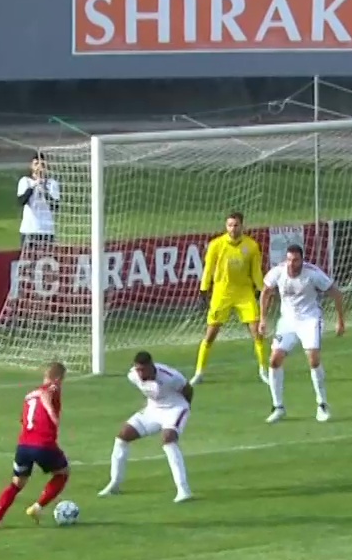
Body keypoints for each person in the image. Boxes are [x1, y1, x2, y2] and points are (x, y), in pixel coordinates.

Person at [257, 243, 345, 423]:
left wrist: (340, 321)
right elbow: (265, 292)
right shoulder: (278, 272)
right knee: (274, 360)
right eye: (289, 259)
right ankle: (278, 407)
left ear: (302, 260)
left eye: (295, 260)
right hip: (287, 321)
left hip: (310, 319)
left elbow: (336, 293)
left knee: (313, 359)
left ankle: (322, 404)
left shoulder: (313, 274)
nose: (291, 263)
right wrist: (263, 319)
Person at [99, 351, 194, 503]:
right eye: (138, 369)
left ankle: (183, 489)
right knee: (123, 435)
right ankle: (114, 483)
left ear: (151, 366)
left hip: (175, 408)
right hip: (153, 410)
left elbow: (188, 389)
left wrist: (185, 408)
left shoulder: (170, 376)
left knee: (168, 439)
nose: (140, 373)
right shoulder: (132, 376)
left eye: (143, 370)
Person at [0, 362, 72, 530]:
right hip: (44, 444)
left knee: (16, 483)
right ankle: (38, 507)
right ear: (57, 378)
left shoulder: (29, 396)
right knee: (63, 473)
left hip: (24, 446)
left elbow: (23, 420)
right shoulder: (52, 388)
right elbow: (46, 394)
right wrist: (51, 413)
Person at [192, 211, 270, 386]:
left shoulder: (251, 246)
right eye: (229, 225)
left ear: (242, 226)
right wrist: (203, 291)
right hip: (222, 293)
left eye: (236, 225)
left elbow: (256, 271)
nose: (233, 229)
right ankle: (199, 372)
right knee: (210, 334)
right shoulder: (216, 245)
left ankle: (263, 370)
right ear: (225, 226)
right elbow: (208, 269)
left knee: (257, 332)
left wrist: (261, 289)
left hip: (244, 293)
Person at [16, 153, 60, 255]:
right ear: (31, 166)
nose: (39, 168)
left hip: (47, 230)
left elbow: (55, 207)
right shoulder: (25, 181)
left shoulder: (52, 183)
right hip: (29, 229)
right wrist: (33, 186)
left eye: (42, 165)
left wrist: (44, 188)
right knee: (28, 259)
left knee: (45, 259)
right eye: (36, 164)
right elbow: (21, 201)